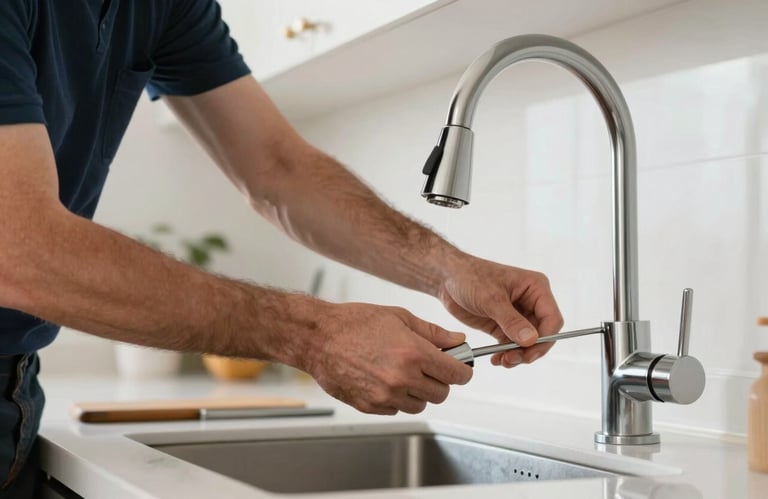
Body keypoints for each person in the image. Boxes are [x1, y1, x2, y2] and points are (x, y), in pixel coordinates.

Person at [0, 0, 564, 495]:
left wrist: (450, 270)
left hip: (17, 393)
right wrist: (314, 334)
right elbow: (20, 249)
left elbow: (277, 167)